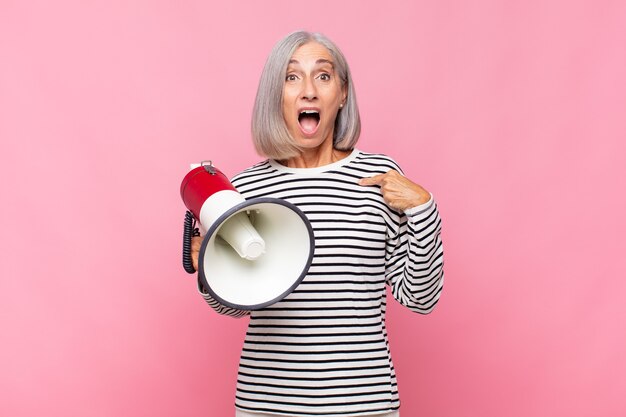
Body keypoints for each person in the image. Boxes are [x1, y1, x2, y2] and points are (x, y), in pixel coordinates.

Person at [191, 31, 444, 417]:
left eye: (323, 76)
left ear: (342, 94)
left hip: (364, 404)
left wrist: (424, 209)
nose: (308, 90)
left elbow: (421, 299)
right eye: (292, 77)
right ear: (277, 96)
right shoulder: (244, 189)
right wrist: (206, 267)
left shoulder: (380, 177)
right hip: (266, 405)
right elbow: (233, 309)